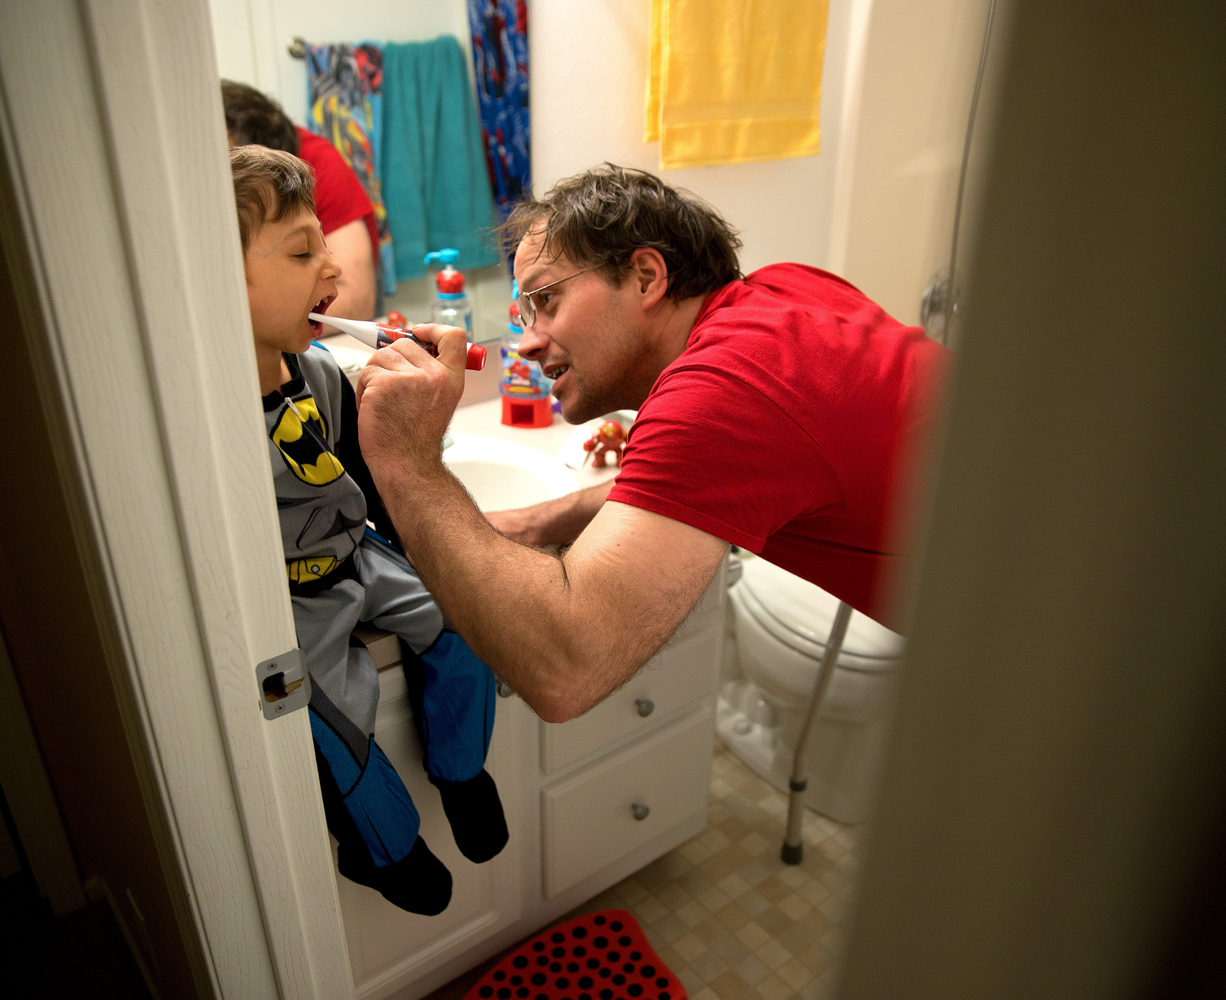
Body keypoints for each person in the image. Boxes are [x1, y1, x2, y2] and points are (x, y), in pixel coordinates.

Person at [351, 164, 951, 724]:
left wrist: (408, 461)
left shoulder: (723, 388)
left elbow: (568, 667)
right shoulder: (783, 292)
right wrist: (539, 521)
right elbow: (678, 485)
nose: (527, 343)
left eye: (545, 300)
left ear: (645, 277)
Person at [229, 145, 507, 915]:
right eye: (300, 251)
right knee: (337, 730)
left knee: (466, 624)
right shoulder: (211, 429)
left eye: (324, 244)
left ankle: (460, 771)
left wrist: (432, 554)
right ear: (220, 278)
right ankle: (381, 851)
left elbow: (371, 484)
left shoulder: (320, 371)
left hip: (360, 558)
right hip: (289, 602)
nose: (332, 270)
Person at [222, 80, 379, 323]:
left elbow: (354, 300)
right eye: (303, 253)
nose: (334, 268)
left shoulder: (318, 165)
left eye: (301, 253)